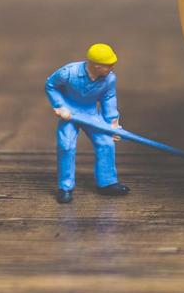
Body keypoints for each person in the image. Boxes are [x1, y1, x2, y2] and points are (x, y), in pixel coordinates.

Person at [47, 43, 130, 202]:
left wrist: (113, 125)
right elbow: (51, 86)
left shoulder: (109, 79)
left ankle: (107, 183)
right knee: (66, 146)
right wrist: (60, 106)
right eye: (109, 65)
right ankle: (65, 188)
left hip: (91, 114)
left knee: (106, 143)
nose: (112, 67)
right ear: (96, 65)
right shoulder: (68, 72)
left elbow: (109, 99)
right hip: (70, 114)